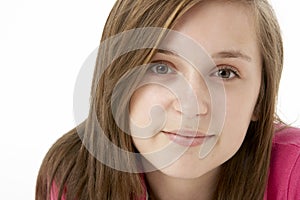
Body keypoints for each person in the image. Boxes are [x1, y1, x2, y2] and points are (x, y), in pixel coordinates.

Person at [36, 0, 300, 199]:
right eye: (161, 67)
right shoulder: (76, 177)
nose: (190, 105)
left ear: (260, 97)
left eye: (224, 72)